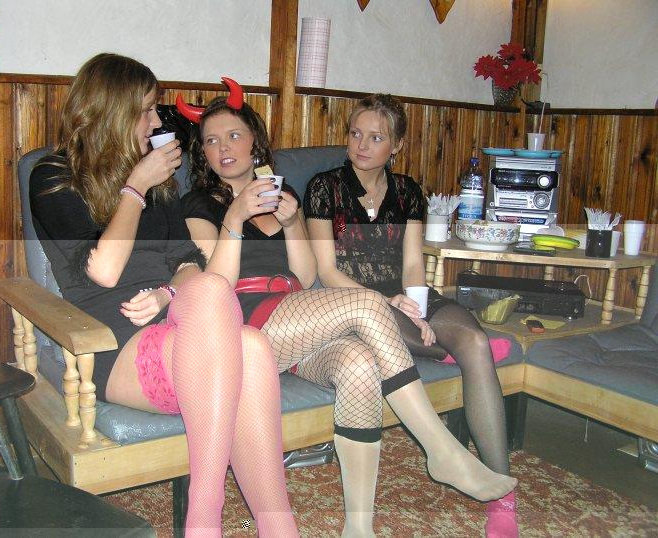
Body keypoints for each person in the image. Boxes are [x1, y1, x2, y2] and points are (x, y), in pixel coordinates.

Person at [180, 92, 517, 538]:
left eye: (234, 136)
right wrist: (237, 216)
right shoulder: (199, 205)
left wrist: (292, 223)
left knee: (359, 365)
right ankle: (443, 450)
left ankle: (359, 526)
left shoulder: (284, 196)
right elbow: (216, 286)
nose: (223, 148)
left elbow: (304, 277)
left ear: (255, 143)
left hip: (295, 319)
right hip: (243, 321)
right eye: (210, 141)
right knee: (368, 303)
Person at [28, 53, 297, 537]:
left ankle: (276, 529)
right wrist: (136, 186)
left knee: (240, 327)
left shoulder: (160, 182)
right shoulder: (54, 175)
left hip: (175, 317)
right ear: (115, 111)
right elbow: (104, 271)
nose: (157, 122)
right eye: (148, 110)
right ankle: (204, 518)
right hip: (111, 336)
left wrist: (168, 293)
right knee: (250, 347)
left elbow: (188, 262)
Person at [305, 93, 519, 538]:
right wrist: (388, 302)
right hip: (356, 302)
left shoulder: (408, 192)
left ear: (396, 145)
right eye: (355, 134)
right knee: (404, 325)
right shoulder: (324, 187)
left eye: (376, 137)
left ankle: (501, 496)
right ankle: (438, 350)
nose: (362, 145)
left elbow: (412, 265)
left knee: (476, 343)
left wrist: (417, 305)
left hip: (404, 297)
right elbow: (326, 271)